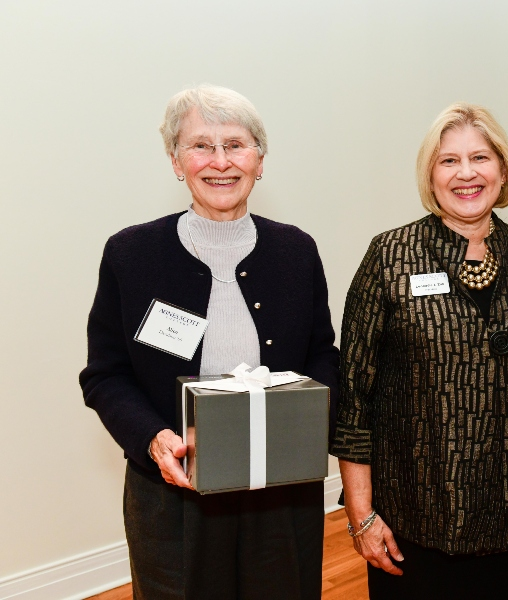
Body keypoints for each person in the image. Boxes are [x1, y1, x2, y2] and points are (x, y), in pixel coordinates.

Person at [79, 84, 339, 599]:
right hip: (173, 496)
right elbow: (105, 375)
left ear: (259, 160)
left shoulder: (296, 250)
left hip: (280, 492)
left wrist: (310, 421)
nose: (220, 161)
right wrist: (154, 439)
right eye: (201, 146)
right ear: (177, 161)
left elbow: (322, 356)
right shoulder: (131, 254)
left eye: (236, 145)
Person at [330, 102, 508, 600]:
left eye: (481, 158)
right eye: (448, 161)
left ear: (502, 171)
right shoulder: (390, 256)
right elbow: (355, 396)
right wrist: (361, 515)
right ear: (430, 175)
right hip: (416, 520)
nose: (467, 174)